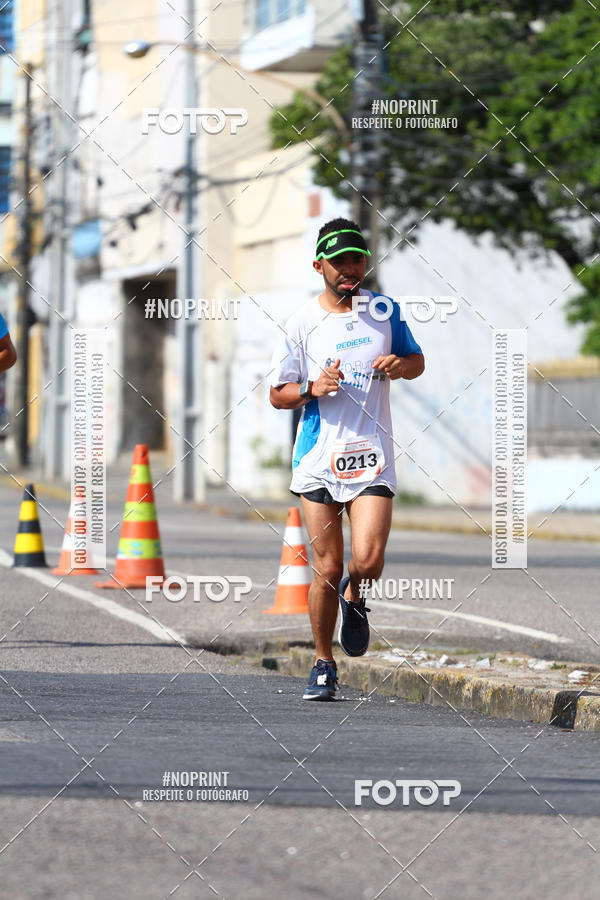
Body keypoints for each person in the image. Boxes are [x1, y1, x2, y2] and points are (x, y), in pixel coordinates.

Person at [269, 217, 425, 700]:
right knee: (327, 566)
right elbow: (277, 394)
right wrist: (312, 388)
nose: (349, 268)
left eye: (356, 258)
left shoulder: (383, 311)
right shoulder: (300, 321)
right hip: (318, 457)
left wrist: (402, 366)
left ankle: (355, 598)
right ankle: (322, 663)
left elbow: (417, 361)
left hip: (372, 456)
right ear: (320, 266)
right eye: (338, 262)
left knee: (369, 560)